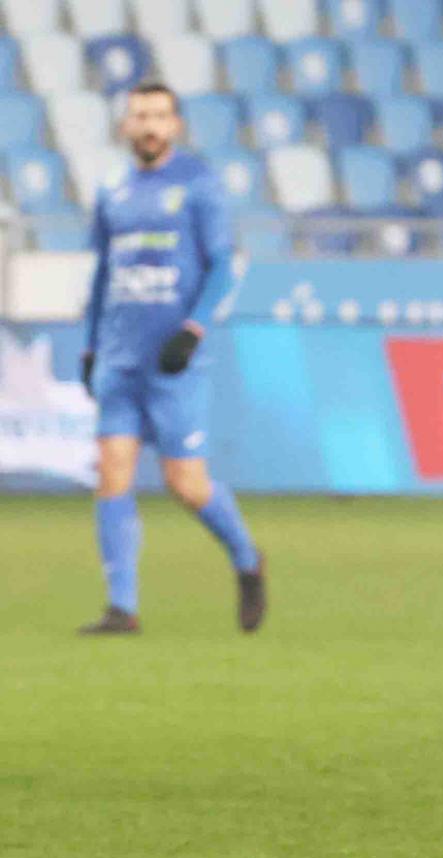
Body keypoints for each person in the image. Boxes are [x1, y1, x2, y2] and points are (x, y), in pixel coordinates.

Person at [78, 80, 263, 636]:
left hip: (172, 363)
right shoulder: (111, 187)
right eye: (140, 116)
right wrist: (89, 345)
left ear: (176, 125)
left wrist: (193, 329)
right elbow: (102, 274)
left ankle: (248, 561)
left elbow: (223, 265)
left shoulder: (199, 185)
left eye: (160, 116)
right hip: (118, 358)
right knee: (112, 473)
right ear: (126, 126)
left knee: (186, 483)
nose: (150, 125)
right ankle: (122, 608)